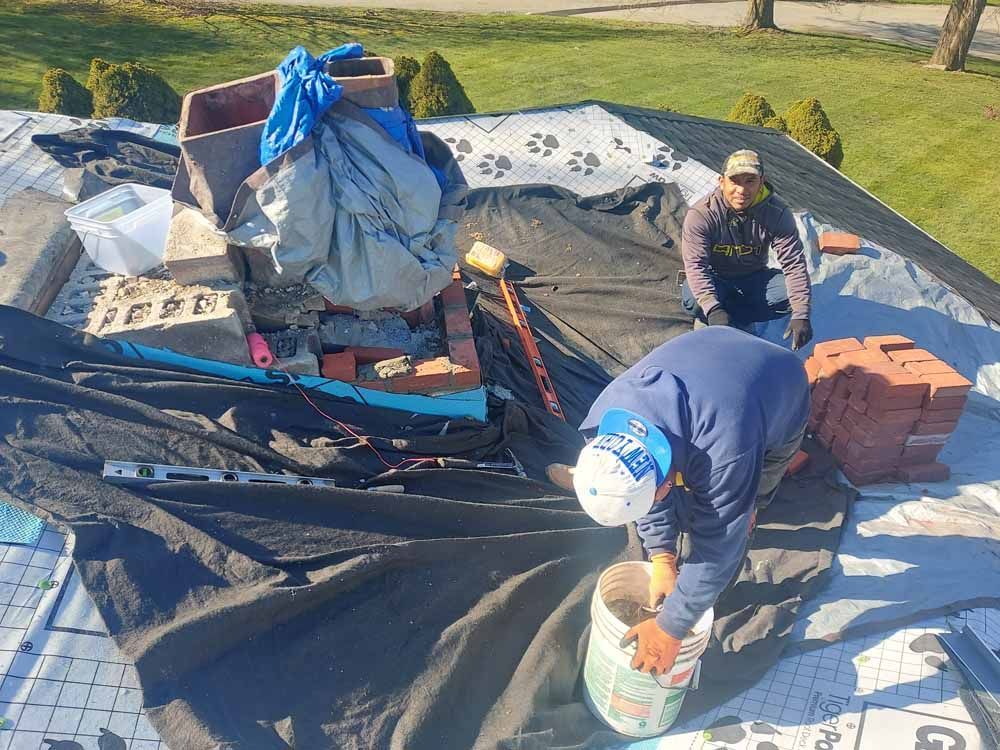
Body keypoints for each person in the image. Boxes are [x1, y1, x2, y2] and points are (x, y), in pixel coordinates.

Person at [548, 326, 809, 676]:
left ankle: (752, 507)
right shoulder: (606, 420)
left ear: (663, 483)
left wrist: (671, 628)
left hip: (782, 382)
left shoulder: (725, 449)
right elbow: (644, 490)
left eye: (655, 494)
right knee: (698, 497)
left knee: (745, 506)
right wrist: (663, 558)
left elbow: (717, 546)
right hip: (711, 354)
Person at [681, 149, 813, 351]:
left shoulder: (777, 213)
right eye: (735, 181)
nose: (742, 190)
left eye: (750, 181)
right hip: (716, 278)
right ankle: (716, 316)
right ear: (721, 181)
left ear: (762, 181)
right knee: (693, 298)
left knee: (789, 296)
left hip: (753, 278)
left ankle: (739, 318)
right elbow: (696, 266)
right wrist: (713, 308)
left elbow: (794, 264)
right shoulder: (702, 214)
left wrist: (801, 314)